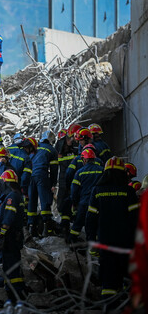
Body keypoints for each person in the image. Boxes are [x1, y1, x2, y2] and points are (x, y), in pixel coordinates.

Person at [86, 156, 139, 309]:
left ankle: (109, 308)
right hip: (126, 243)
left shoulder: (97, 191)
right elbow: (135, 219)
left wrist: (91, 239)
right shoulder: (128, 191)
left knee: (108, 280)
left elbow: (90, 218)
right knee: (126, 277)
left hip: (105, 242)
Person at [0, 169, 26, 302]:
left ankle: (13, 296)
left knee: (10, 265)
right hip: (15, 236)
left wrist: (2, 234)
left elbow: (8, 219)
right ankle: (16, 293)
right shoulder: (17, 195)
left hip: (10, 237)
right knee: (13, 265)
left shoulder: (12, 197)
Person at [27, 131, 59, 237]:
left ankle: (31, 228)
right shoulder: (52, 150)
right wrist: (53, 183)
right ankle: (47, 229)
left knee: (32, 201)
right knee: (45, 201)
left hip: (30, 175)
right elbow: (54, 169)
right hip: (42, 175)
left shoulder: (35, 147)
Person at [69, 148, 103, 243]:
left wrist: (74, 203)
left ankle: (72, 241)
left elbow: (74, 190)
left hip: (84, 203)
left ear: (85, 159)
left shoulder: (79, 172)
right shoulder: (102, 171)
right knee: (96, 224)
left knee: (78, 223)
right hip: (98, 203)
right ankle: (93, 244)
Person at [55, 123, 81, 236]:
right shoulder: (60, 150)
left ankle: (68, 223)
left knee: (70, 201)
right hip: (64, 180)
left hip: (71, 180)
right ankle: (66, 224)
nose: (71, 142)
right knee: (64, 202)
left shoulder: (75, 150)